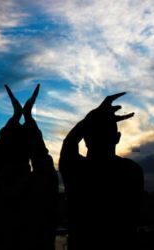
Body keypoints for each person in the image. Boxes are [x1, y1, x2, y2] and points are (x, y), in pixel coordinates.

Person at [59, 93, 144, 250]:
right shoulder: (132, 170)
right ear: (117, 137)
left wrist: (91, 117)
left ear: (85, 139)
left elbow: (69, 143)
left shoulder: (76, 169)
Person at [0, 84, 58, 250]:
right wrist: (28, 117)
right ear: (29, 152)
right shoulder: (41, 185)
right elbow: (41, 157)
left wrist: (16, 117)